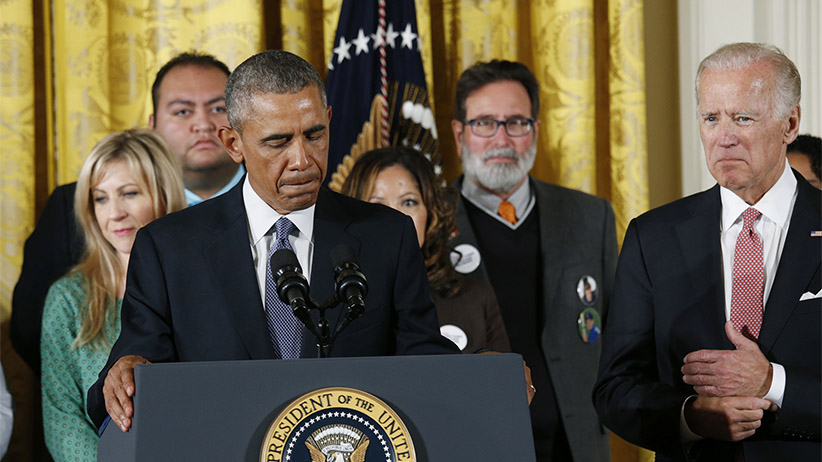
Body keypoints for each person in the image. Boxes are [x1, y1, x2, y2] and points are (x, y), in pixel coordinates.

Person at [87, 50, 459, 433]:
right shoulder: (168, 248)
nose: (302, 159)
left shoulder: (387, 235)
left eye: (314, 135)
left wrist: (489, 369)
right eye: (278, 141)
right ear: (233, 143)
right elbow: (115, 389)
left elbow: (425, 364)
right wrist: (125, 374)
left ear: (329, 121)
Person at [593, 43, 820, 461]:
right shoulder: (653, 236)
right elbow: (615, 389)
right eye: (711, 118)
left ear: (790, 124)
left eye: (743, 118)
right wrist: (691, 417)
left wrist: (772, 382)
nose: (724, 138)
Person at [11, 52, 242, 375]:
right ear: (153, 124)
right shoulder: (71, 206)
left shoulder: (279, 204)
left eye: (218, 108)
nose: (203, 124)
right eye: (182, 111)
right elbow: (33, 333)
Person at [449, 59, 617, 461]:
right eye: (484, 123)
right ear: (459, 134)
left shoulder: (589, 217)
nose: (501, 138)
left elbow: (618, 334)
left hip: (573, 445)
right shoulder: (426, 221)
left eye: (516, 123)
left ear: (536, 130)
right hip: (465, 442)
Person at [40, 129, 185, 461]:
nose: (114, 213)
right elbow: (63, 421)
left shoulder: (202, 285)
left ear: (164, 193)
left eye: (129, 193)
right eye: (100, 198)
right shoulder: (67, 299)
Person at [341, 146, 511, 354]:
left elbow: (505, 382)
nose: (395, 218)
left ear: (431, 214)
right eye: (377, 204)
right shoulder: (330, 301)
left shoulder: (475, 297)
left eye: (408, 202)